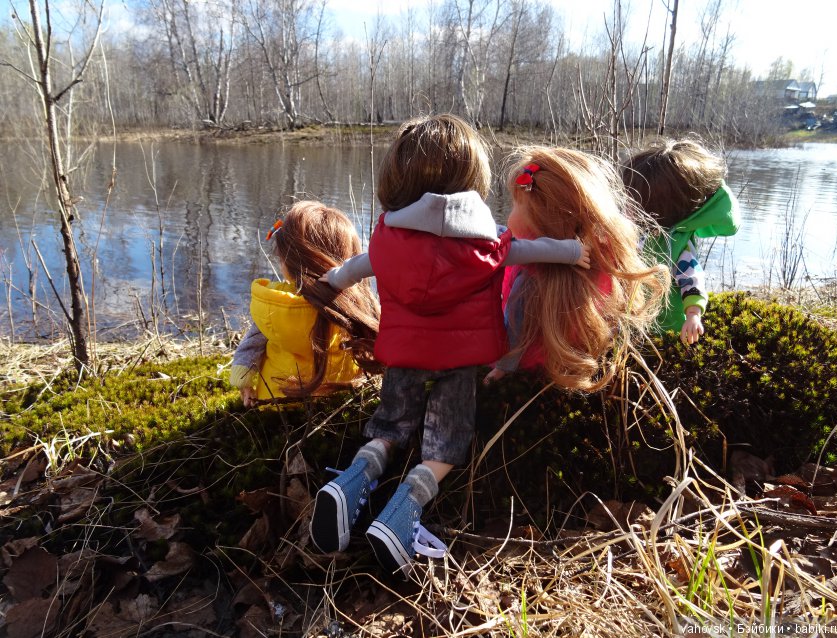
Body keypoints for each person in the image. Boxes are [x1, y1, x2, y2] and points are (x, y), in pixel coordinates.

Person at [309, 114, 590, 578]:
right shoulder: (490, 246)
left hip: (403, 355)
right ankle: (403, 511)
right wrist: (576, 253)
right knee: (446, 440)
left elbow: (355, 267)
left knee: (390, 425)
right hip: (461, 363)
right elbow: (534, 250)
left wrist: (329, 284)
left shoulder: (387, 241)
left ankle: (355, 480)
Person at [484, 146, 668, 389]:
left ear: (542, 219)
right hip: (578, 359)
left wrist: (501, 370)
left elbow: (515, 331)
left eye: (516, 205)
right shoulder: (604, 259)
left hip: (530, 367)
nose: (509, 216)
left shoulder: (529, 275)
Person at [230, 201, 381, 405]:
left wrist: (243, 379)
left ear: (289, 263)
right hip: (343, 400)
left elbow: (250, 346)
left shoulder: (274, 304)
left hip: (276, 402)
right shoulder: (357, 305)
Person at [621, 138, 741, 345]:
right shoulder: (630, 231)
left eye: (634, 201)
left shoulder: (676, 245)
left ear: (657, 210)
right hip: (628, 323)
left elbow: (691, 279)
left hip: (666, 327)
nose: (627, 207)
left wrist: (693, 314)